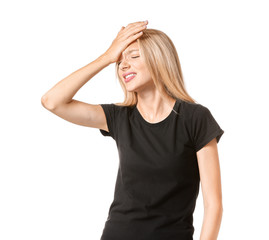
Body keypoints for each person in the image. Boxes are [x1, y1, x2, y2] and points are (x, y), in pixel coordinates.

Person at [41, 20, 224, 240]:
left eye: (134, 56)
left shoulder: (195, 118)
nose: (123, 65)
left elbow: (214, 206)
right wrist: (107, 56)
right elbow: (52, 101)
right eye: (119, 61)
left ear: (159, 60)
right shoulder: (119, 117)